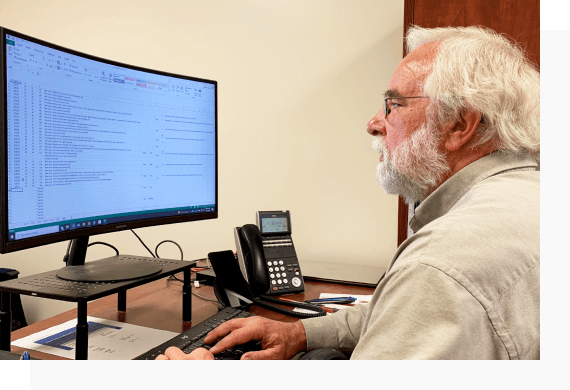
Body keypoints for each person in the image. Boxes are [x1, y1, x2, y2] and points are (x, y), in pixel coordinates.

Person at [156, 25, 540, 360]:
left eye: (393, 104)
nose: (374, 124)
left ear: (460, 125)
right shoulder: (531, 199)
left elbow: (428, 291)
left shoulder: (440, 264)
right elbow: (399, 314)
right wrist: (300, 333)